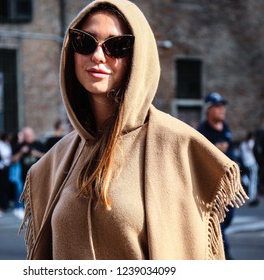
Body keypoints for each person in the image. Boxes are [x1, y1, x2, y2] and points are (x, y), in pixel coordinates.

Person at [19, 0, 247, 260]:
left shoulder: (180, 147)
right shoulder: (54, 162)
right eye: (85, 41)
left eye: (117, 46)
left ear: (139, 58)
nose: (97, 56)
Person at [197, 91, 237, 259]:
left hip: (230, 185)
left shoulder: (226, 128)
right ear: (209, 110)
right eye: (218, 107)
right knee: (217, 224)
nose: (222, 110)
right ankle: (223, 257)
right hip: (214, 187)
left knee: (226, 221)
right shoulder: (202, 132)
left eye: (223, 106)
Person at [239, 132, 259, 206]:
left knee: (248, 179)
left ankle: (251, 195)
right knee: (253, 181)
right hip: (252, 163)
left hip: (245, 163)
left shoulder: (242, 144)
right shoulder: (250, 143)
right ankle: (252, 197)